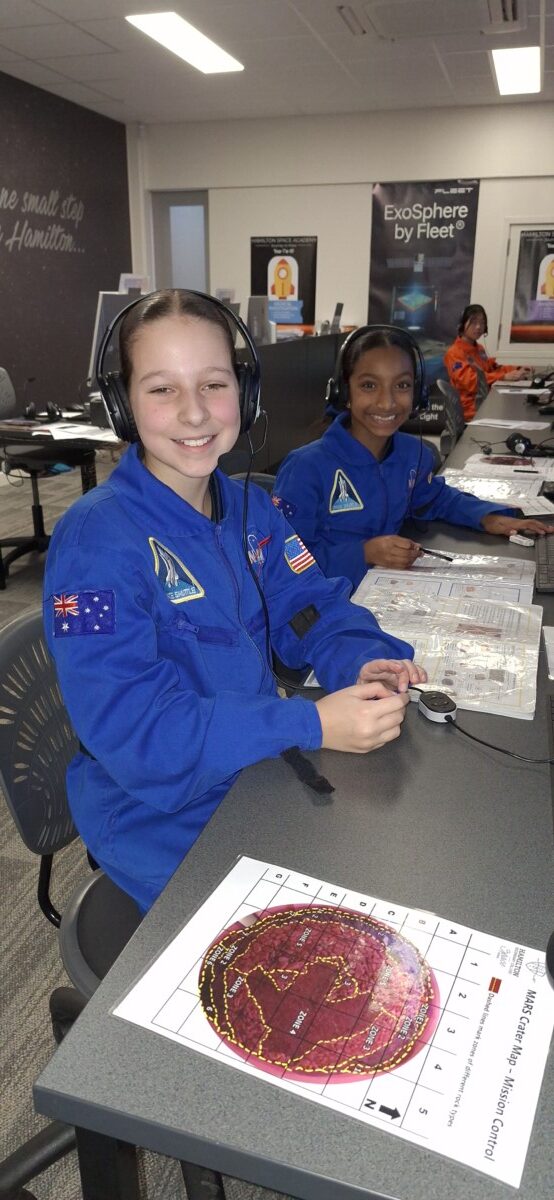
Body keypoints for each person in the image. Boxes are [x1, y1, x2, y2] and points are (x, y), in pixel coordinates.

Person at [43, 291, 427, 914]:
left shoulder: (250, 509)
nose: (194, 412)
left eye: (214, 384)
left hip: (250, 763)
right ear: (123, 404)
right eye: (162, 389)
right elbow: (137, 731)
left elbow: (309, 605)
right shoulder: (94, 545)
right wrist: (309, 722)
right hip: (154, 811)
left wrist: (360, 659)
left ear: (244, 395)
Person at [272, 325, 552, 591]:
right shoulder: (306, 468)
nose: (387, 402)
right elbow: (283, 559)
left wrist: (486, 517)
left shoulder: (411, 454)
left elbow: (435, 498)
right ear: (344, 392)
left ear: (418, 395)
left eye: (402, 385)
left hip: (388, 591)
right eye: (369, 385)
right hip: (326, 602)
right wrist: (364, 553)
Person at [444, 304, 531, 421]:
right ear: (462, 324)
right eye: (474, 322)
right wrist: (503, 377)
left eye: (482, 323)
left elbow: (493, 368)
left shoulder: (479, 349)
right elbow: (470, 382)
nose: (479, 327)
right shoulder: (454, 353)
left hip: (486, 403)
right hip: (471, 411)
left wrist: (517, 368)